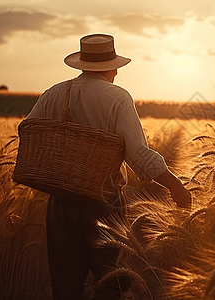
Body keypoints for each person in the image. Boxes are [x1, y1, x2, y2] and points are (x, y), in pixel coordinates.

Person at [25, 33, 191, 299]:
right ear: (112, 67)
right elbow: (137, 155)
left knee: (65, 287)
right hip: (104, 201)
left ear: (82, 64)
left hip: (60, 201)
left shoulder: (54, 93)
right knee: (112, 283)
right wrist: (175, 185)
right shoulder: (118, 97)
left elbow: (28, 130)